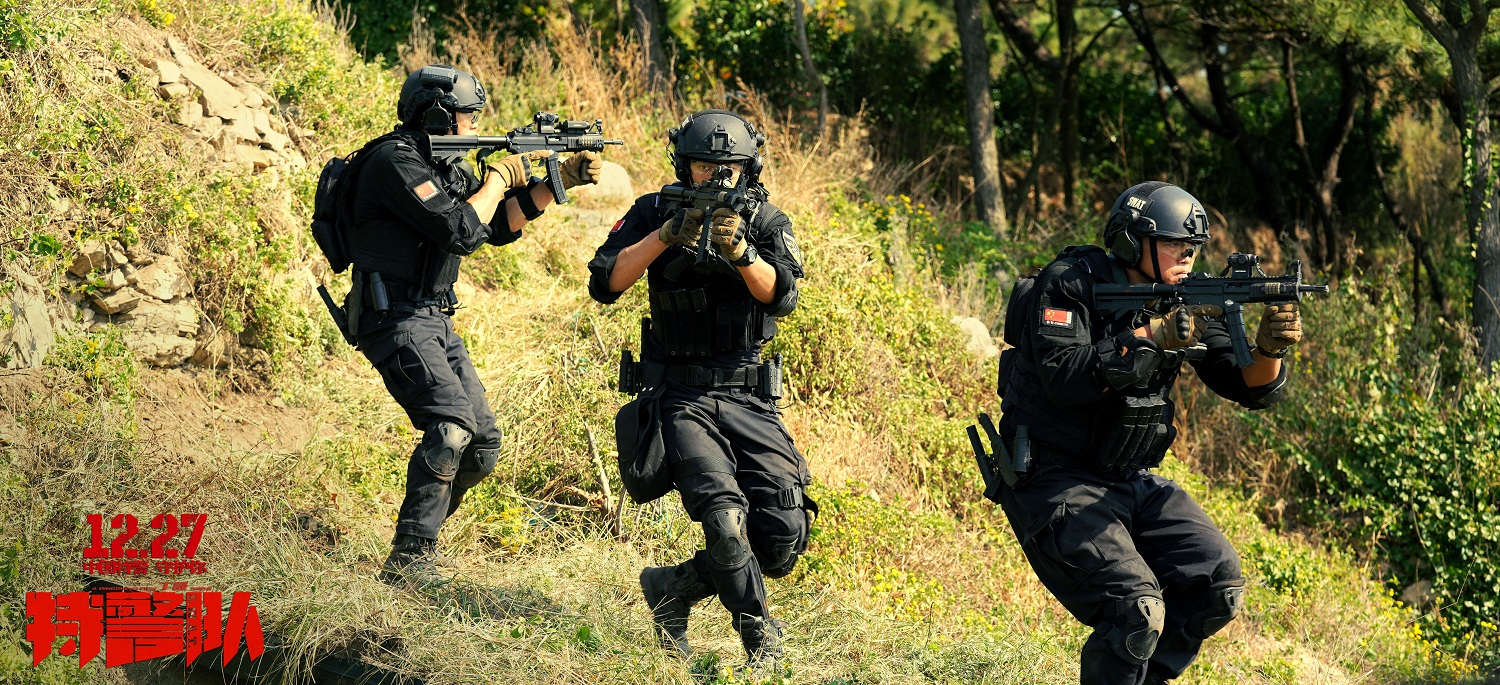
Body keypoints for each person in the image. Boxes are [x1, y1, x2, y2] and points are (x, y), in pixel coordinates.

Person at [989, 181, 1304, 684]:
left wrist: (1268, 349)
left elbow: (1247, 386)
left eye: (1193, 247)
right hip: (1052, 477)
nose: (1188, 255)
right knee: (1134, 611)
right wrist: (1150, 336)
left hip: (1127, 477)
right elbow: (1067, 377)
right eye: (1176, 244)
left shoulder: (1189, 297)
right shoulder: (1071, 283)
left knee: (1216, 583)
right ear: (1134, 242)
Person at [346, 64, 603, 588]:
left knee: (481, 444)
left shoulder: (447, 167)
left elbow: (500, 224)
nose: (472, 128)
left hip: (432, 315)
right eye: (467, 117)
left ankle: (414, 550)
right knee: (450, 429)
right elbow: (461, 229)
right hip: (390, 314)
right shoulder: (394, 162)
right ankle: (411, 559)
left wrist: (558, 180)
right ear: (439, 115)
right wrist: (499, 178)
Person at [586, 110, 813, 674]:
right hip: (681, 396)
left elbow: (781, 298)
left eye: (727, 168)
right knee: (725, 521)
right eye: (702, 166)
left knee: (783, 534)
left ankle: (674, 588)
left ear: (746, 169)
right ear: (683, 166)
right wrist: (664, 237)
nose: (715, 178)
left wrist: (742, 253)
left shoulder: (764, 220)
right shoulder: (652, 210)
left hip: (748, 397)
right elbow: (605, 282)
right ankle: (760, 637)